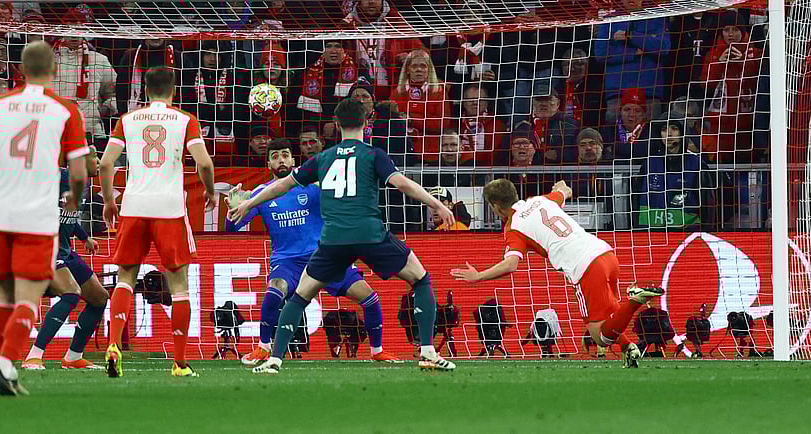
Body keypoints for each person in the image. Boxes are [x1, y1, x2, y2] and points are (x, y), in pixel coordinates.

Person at [228, 98, 457, 373]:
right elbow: (402, 184)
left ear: (337, 125)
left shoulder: (322, 158)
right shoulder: (373, 154)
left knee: (299, 297)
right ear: (366, 122)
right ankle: (428, 351)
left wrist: (248, 203)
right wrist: (436, 203)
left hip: (333, 240)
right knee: (420, 279)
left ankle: (275, 359)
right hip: (370, 234)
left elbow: (281, 186)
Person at [0, 40, 90, 395]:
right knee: (28, 298)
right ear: (54, 70)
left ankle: (6, 369)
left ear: (21, 71)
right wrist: (74, 197)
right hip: (36, 218)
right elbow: (78, 170)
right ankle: (4, 366)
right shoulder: (66, 110)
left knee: (4, 298)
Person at [450, 179, 664, 368]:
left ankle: (635, 300)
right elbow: (565, 191)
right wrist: (561, 187)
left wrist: (478, 276)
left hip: (585, 266)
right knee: (611, 315)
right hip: (605, 253)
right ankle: (628, 348)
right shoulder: (539, 200)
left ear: (496, 207)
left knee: (600, 336)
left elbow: (511, 264)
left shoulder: (513, 227)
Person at [226, 138, 400, 365]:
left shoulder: (314, 187)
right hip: (287, 261)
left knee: (369, 297)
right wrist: (232, 210)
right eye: (275, 157)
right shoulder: (261, 194)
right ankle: (263, 347)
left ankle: (377, 351)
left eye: (285, 155)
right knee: (274, 290)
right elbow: (231, 229)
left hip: (325, 256)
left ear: (293, 160)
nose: (281, 160)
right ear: (268, 164)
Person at [99, 67, 217, 379]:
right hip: (169, 207)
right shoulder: (185, 119)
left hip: (134, 206)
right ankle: (179, 363)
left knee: (125, 278)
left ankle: (114, 345)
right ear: (174, 90)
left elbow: (106, 163)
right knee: (179, 286)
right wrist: (210, 190)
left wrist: (109, 201)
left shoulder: (127, 119)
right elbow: (204, 162)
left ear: (145, 90)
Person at [0, 147, 110, 370]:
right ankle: (34, 355)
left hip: (65, 251)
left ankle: (73, 357)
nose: (99, 161)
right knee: (71, 293)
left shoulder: (84, 184)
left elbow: (67, 215)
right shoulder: (57, 177)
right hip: (42, 248)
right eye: (94, 156)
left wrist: (84, 237)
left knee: (99, 298)